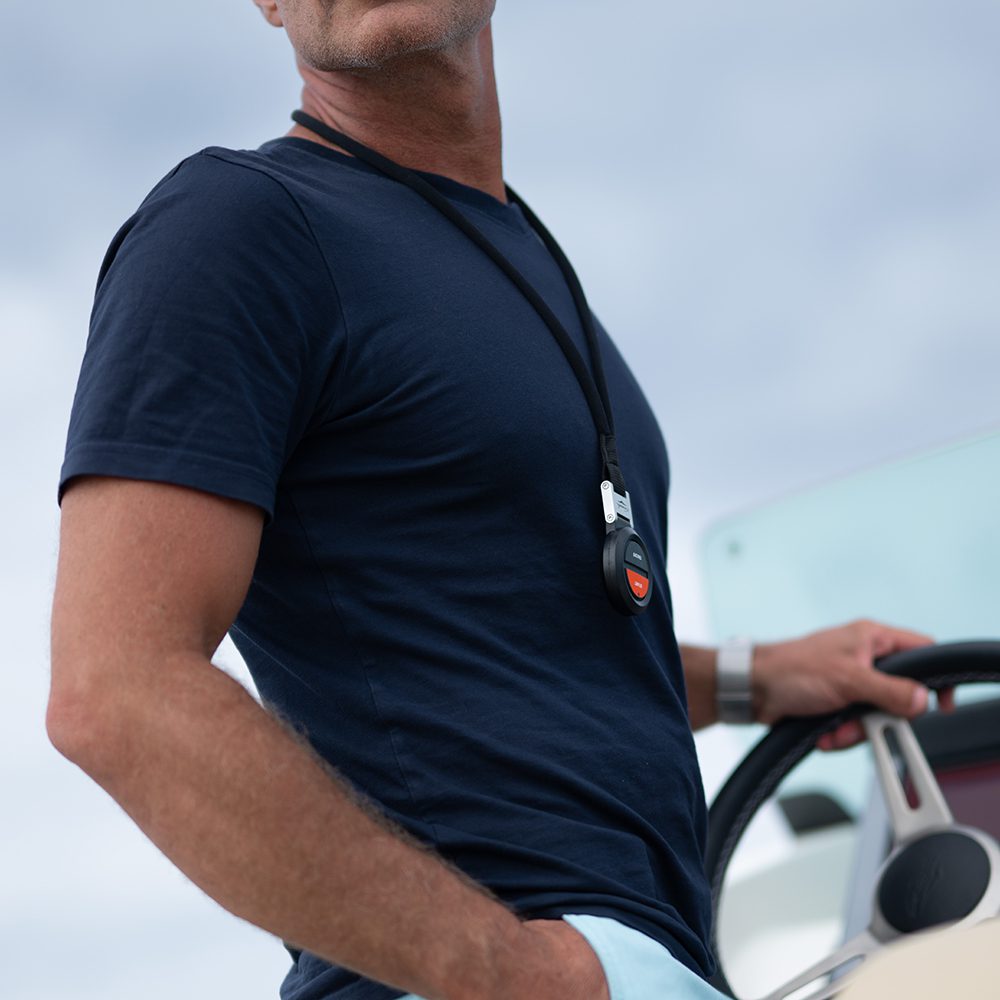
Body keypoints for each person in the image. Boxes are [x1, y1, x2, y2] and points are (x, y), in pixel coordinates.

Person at [47, 3, 942, 998]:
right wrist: (505, 971)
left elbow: (512, 640)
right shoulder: (238, 225)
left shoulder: (528, 266)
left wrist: (755, 678)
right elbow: (116, 691)